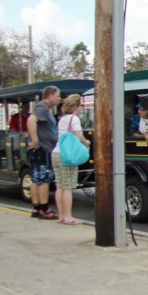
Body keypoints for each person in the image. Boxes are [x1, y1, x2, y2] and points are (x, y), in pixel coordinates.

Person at [51, 94, 90, 225]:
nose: (82, 108)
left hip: (56, 153)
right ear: (75, 106)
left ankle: (61, 215)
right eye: (81, 106)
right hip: (67, 155)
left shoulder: (62, 119)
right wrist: (87, 142)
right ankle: (68, 216)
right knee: (68, 187)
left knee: (60, 186)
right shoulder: (74, 119)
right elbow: (79, 136)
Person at [27, 85, 61, 220]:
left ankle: (36, 208)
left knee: (36, 178)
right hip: (43, 149)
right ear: (50, 95)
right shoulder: (43, 107)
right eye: (58, 96)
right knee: (44, 179)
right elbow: (31, 120)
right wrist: (35, 140)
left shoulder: (43, 108)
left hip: (41, 149)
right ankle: (44, 208)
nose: (59, 99)